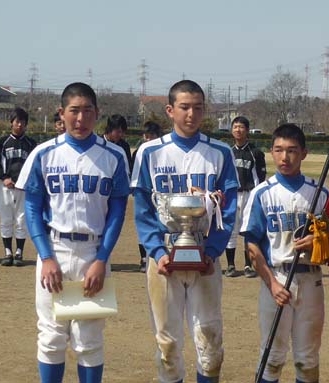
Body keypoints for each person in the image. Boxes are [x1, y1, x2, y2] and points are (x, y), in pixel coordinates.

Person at [15, 82, 130, 383]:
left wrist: (102, 259)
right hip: (55, 247)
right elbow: (32, 209)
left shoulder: (114, 156)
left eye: (87, 111)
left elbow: (117, 211)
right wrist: (46, 256)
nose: (80, 119)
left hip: (93, 251)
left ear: (98, 113)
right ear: (61, 113)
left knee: (89, 340)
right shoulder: (44, 154)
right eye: (74, 111)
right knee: (51, 337)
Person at [131, 79, 239, 383]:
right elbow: (142, 207)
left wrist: (214, 251)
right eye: (184, 107)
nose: (191, 114)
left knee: (210, 338)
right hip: (164, 257)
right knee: (168, 343)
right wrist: (155, 250)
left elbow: (227, 208)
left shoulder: (219, 152)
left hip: (205, 255)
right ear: (170, 110)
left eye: (198, 107)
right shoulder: (150, 152)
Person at [240, 123, 329, 383]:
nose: (284, 157)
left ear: (304, 153)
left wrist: (318, 241)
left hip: (311, 279)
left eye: (291, 150)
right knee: (272, 357)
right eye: (278, 150)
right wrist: (271, 282)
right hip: (276, 279)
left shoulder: (320, 193)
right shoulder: (262, 193)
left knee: (307, 358)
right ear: (271, 152)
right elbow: (252, 245)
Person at [224, 116, 266, 278]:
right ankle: (231, 265)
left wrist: (258, 196)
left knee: (248, 230)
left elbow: (260, 178)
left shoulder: (255, 152)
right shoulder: (228, 152)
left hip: (249, 194)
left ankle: (248, 265)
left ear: (247, 130)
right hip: (232, 195)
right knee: (232, 230)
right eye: (235, 127)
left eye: (241, 127)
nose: (238, 130)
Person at [0, 107, 37, 266]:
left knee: (21, 219)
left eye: (23, 122)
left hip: (23, 188)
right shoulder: (3, 142)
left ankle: (19, 252)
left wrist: (25, 182)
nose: (19, 125)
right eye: (17, 121)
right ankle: (7, 252)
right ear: (11, 122)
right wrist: (4, 178)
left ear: (26, 124)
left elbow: (34, 166)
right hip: (6, 186)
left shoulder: (31, 143)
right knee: (6, 219)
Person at [130, 120, 163, 273]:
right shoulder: (140, 151)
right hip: (145, 193)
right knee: (143, 226)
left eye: (152, 136)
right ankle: (144, 258)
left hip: (160, 196)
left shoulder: (163, 150)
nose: (148, 139)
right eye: (146, 135)